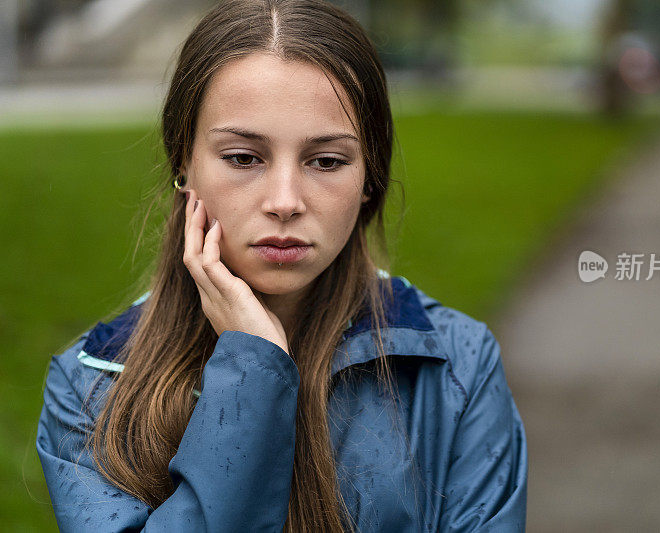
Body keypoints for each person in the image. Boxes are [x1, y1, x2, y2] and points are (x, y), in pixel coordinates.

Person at [35, 0, 528, 531]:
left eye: (327, 161)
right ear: (185, 160)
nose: (285, 200)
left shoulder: (455, 366)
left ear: (370, 176)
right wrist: (252, 371)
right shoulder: (91, 386)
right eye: (244, 157)